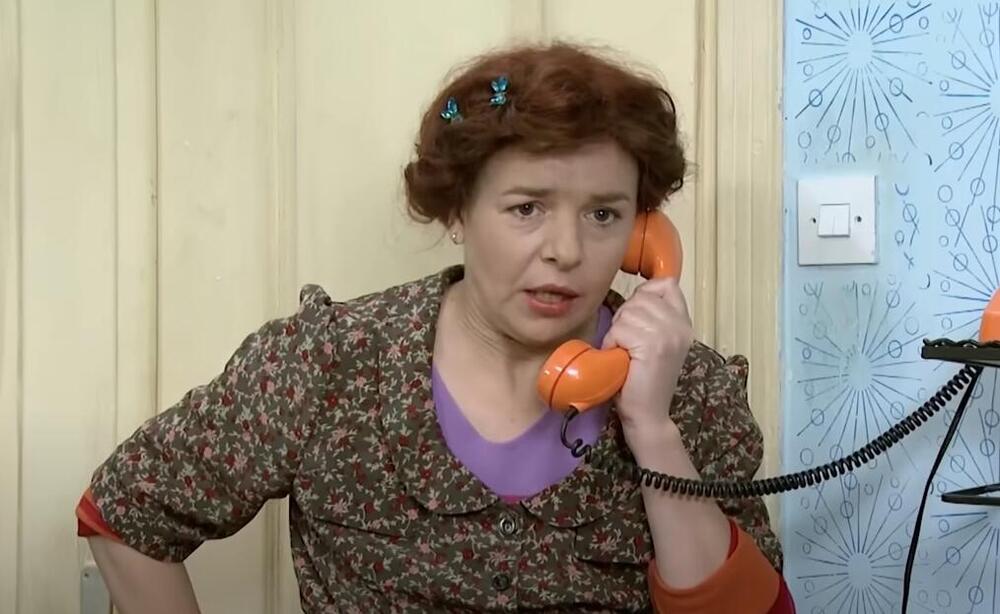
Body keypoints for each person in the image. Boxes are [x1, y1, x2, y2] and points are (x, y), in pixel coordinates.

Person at [76, 42, 796, 613]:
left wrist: (652, 428)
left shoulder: (688, 385)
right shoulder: (331, 360)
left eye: (603, 214)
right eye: (526, 208)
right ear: (457, 210)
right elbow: (125, 512)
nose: (567, 250)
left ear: (643, 235)